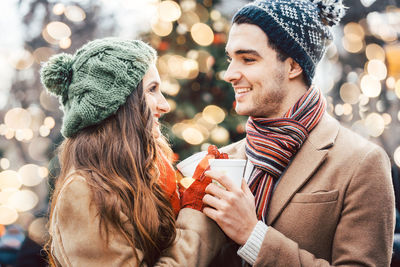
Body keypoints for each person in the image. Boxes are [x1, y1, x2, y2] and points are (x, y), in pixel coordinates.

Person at [201, 0, 395, 266]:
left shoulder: (361, 162)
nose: (230, 74)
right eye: (230, 59)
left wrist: (253, 236)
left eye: (247, 59)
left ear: (293, 66)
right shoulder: (223, 159)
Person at [40, 38, 224, 267]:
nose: (165, 105)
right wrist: (196, 217)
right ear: (117, 105)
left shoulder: (150, 175)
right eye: (152, 90)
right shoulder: (85, 191)